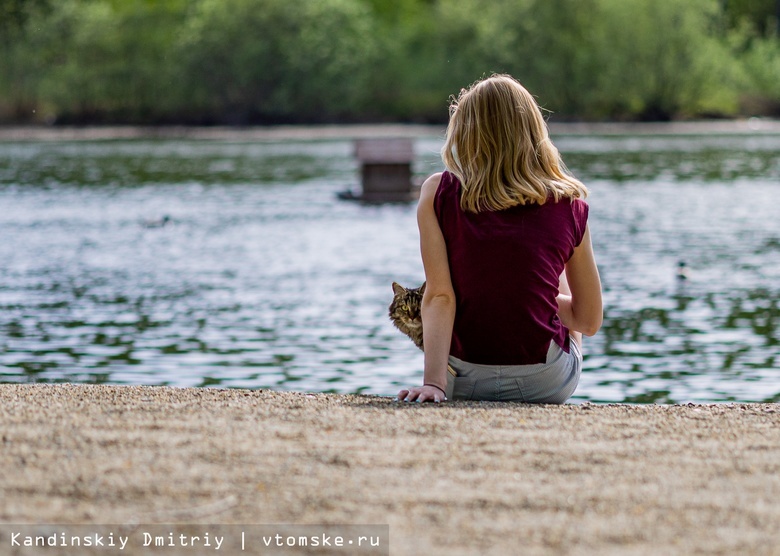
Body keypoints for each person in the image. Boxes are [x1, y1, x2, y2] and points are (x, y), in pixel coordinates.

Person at [397, 74, 602, 404]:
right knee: (555, 267)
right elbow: (588, 320)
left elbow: (440, 297)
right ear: (535, 131)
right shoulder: (570, 204)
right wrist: (535, 295)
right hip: (546, 380)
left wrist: (435, 384)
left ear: (464, 132)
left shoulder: (437, 193)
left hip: (463, 379)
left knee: (458, 279)